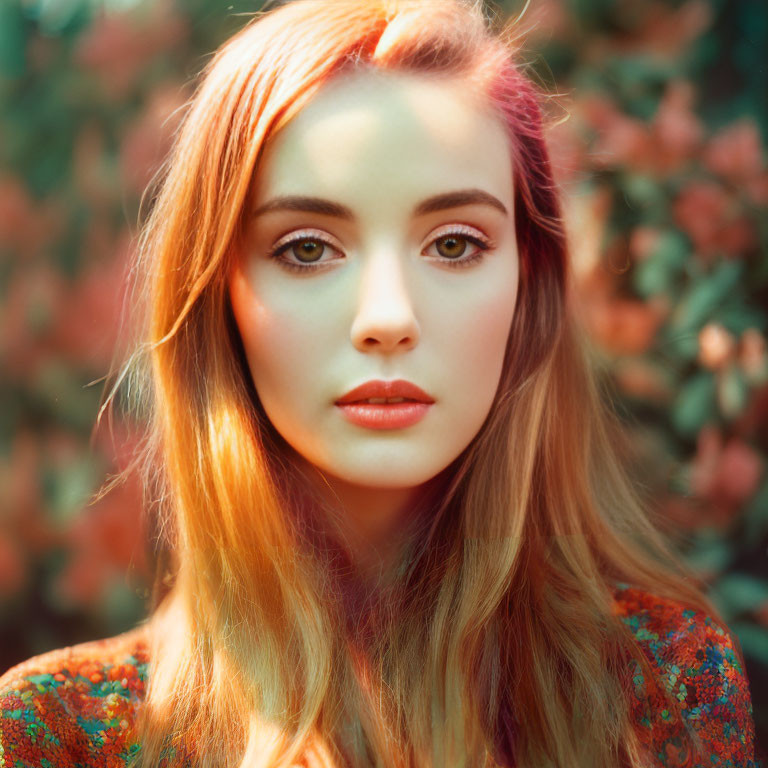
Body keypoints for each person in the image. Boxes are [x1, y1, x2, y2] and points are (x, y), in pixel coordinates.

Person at [0, 0, 761, 766]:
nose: (388, 318)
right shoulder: (56, 736)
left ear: (526, 286)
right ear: (216, 299)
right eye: (306, 249)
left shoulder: (663, 690)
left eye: (455, 243)